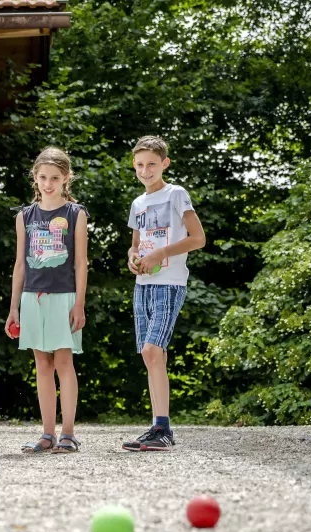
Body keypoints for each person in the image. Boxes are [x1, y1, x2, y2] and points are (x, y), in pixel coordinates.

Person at [123, 136, 206, 451]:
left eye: (152, 164)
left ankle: (163, 430)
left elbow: (198, 239)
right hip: (142, 286)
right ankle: (159, 427)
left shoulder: (176, 194)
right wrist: (133, 258)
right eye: (140, 165)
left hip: (169, 283)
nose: (145, 171)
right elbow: (135, 244)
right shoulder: (138, 204)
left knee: (151, 351)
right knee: (151, 356)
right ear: (135, 165)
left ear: (165, 164)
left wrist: (161, 255)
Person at [5, 147, 89, 454]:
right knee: (42, 364)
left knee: (64, 362)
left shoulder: (75, 214)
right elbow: (20, 265)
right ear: (35, 178)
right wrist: (14, 307)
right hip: (31, 298)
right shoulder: (24, 216)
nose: (48, 183)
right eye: (42, 177)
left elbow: (81, 263)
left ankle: (68, 433)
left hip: (64, 296)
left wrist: (79, 304)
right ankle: (47, 434)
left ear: (66, 178)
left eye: (55, 177)